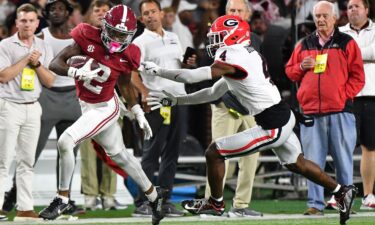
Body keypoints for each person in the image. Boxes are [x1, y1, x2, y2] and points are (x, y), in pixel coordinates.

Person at [143, 14, 359, 225]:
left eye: (219, 36)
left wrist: (160, 71)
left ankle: (215, 204)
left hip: (272, 124)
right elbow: (212, 93)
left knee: (214, 152)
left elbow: (192, 76)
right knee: (298, 164)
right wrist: (177, 101)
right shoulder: (242, 55)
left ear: (234, 36)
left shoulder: (234, 56)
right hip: (282, 115)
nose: (214, 41)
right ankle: (342, 192)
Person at [38, 5, 165, 225]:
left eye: (122, 35)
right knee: (120, 156)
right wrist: (74, 71)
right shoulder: (88, 36)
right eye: (113, 31)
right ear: (104, 26)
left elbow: (125, 85)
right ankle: (155, 197)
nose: (116, 38)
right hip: (87, 105)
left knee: (66, 141)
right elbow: (55, 63)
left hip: (105, 107)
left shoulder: (130, 53)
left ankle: (63, 198)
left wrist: (137, 112)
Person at [285, 1, 365, 216]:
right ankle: (315, 205)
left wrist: (343, 95)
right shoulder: (304, 43)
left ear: (334, 18)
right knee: (313, 162)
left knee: (343, 161)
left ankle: (345, 204)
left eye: (324, 16)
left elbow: (358, 77)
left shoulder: (347, 43)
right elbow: (290, 72)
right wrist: (301, 66)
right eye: (317, 16)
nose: (320, 19)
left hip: (341, 111)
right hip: (311, 112)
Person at [131, 0, 191, 217]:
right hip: (157, 103)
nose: (150, 16)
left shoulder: (174, 37)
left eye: (153, 11)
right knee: (151, 154)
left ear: (161, 13)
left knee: (172, 154)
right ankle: (143, 203)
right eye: (145, 13)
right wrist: (145, 94)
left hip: (179, 100)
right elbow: (132, 75)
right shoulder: (140, 42)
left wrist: (188, 64)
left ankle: (164, 201)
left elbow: (180, 66)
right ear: (141, 18)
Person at [204, 0, 262, 218]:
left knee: (251, 157)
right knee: (218, 155)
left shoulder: (254, 39)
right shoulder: (215, 36)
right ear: (225, 13)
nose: (235, 13)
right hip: (224, 104)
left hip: (249, 107)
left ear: (247, 14)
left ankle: (241, 205)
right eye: (231, 10)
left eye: (239, 10)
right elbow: (206, 69)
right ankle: (212, 203)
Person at [0, 3, 55, 221]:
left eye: (31, 20)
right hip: (8, 106)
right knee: (3, 161)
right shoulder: (5, 45)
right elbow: (3, 76)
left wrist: (38, 63)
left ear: (37, 22)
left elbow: (50, 81)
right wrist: (26, 60)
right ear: (16, 23)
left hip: (33, 106)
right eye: (23, 20)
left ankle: (25, 208)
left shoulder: (44, 46)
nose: (27, 24)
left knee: (27, 161)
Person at [339, 0, 375, 210]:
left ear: (366, 10)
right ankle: (343, 195)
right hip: (347, 97)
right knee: (342, 147)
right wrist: (365, 55)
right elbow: (336, 59)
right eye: (350, 6)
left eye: (357, 6)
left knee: (370, 147)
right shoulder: (339, 32)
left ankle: (368, 195)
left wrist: (350, 56)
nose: (352, 9)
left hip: (371, 95)